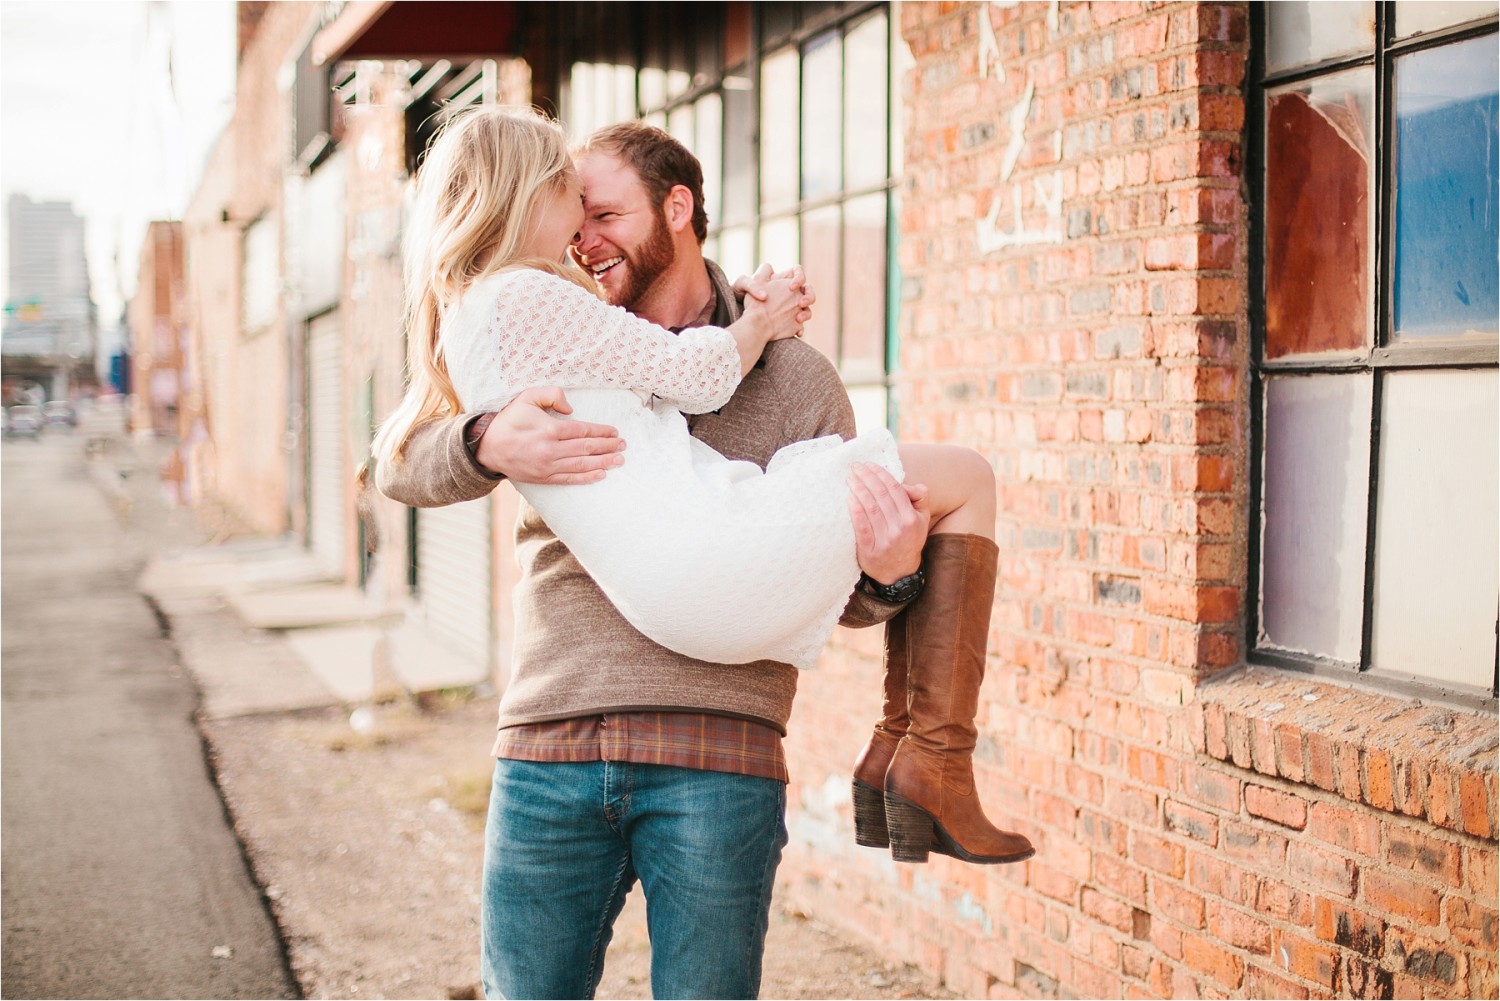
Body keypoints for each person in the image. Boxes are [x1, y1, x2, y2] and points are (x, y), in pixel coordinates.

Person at [376, 110, 1033, 1000]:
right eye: (574, 212)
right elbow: (395, 462)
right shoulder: (555, 319)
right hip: (553, 737)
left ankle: (923, 760)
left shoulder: (796, 377)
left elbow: (830, 590)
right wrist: (483, 439)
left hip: (718, 752)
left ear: (676, 208)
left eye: (605, 215)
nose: (583, 237)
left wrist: (893, 572)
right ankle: (929, 763)